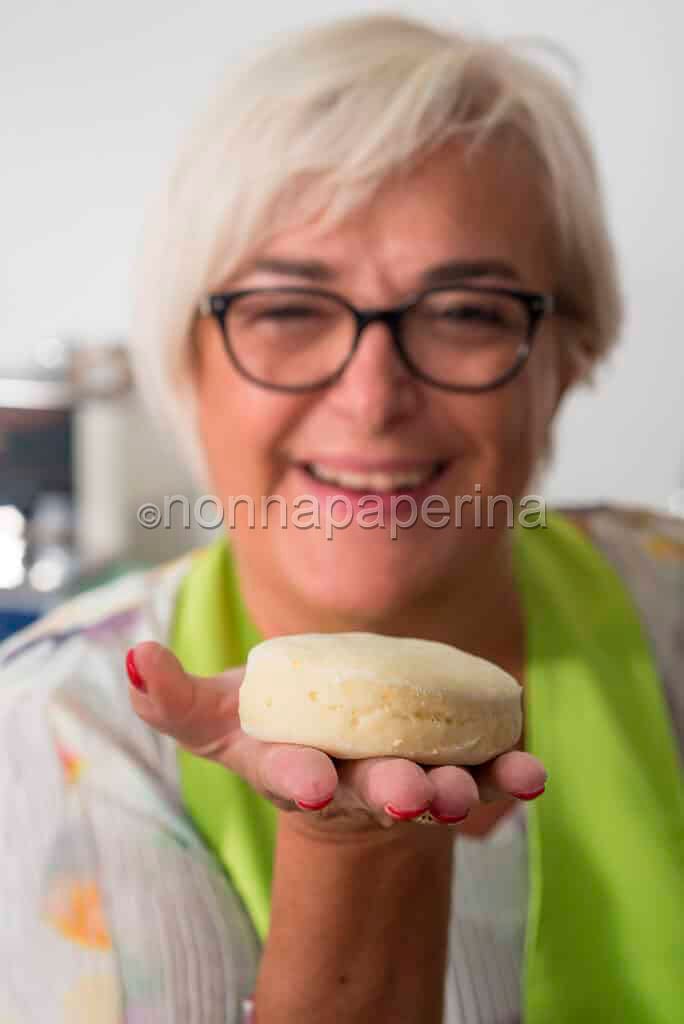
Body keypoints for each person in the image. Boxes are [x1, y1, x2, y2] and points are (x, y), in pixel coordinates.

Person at [2, 12, 682, 1024]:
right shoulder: (43, 742)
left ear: (569, 354)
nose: (372, 398)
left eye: (464, 312)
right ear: (185, 360)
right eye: (285, 308)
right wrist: (351, 854)